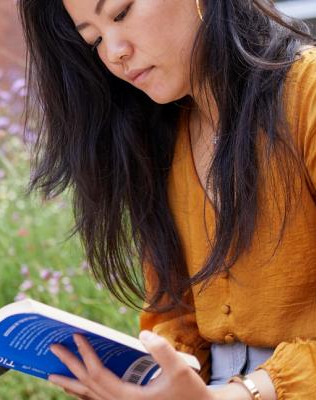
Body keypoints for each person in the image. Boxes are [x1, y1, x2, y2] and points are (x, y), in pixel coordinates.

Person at [19, 0, 315, 399]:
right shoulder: (159, 134)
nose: (114, 52)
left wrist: (239, 393)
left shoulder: (307, 93)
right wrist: (150, 383)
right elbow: (176, 315)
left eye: (121, 13)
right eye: (93, 39)